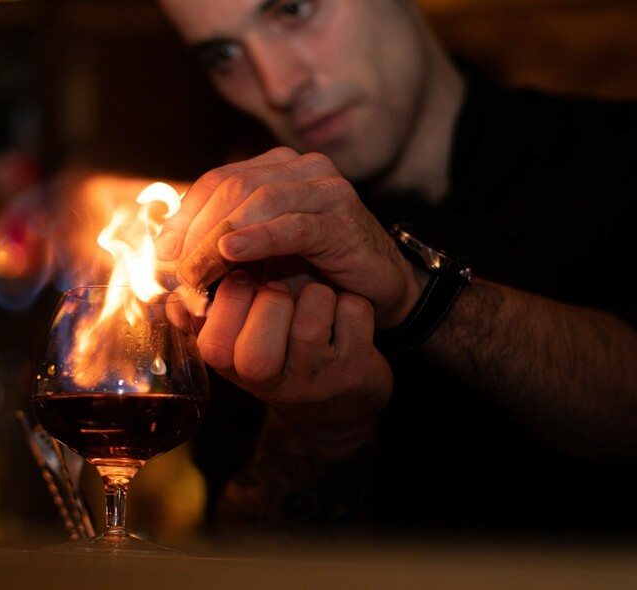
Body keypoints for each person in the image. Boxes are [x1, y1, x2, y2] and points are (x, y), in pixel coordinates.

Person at [151, 0, 637, 539]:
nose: (277, 85)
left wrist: (419, 296)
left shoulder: (614, 159)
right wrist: (315, 437)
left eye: (293, 10)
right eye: (223, 54)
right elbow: (233, 555)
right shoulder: (248, 247)